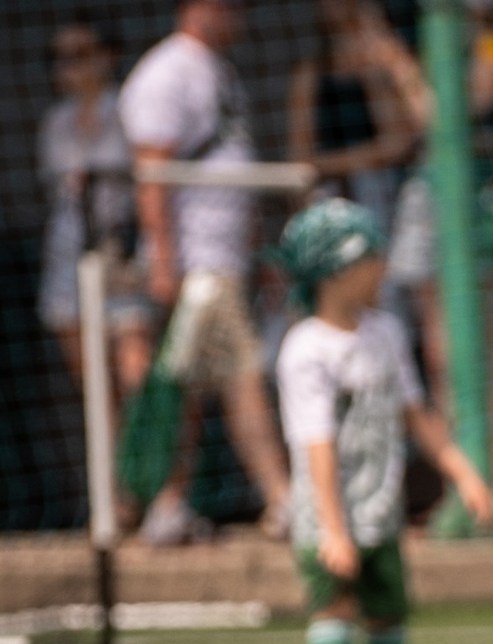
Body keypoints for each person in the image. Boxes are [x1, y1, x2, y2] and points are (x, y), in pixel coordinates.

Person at [273, 200, 490, 644]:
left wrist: (462, 472)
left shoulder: (386, 332)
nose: (380, 265)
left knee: (389, 634)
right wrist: (334, 529)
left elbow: (414, 414)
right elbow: (315, 446)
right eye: (368, 255)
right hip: (332, 523)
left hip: (381, 517)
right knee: (334, 627)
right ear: (334, 269)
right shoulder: (306, 349)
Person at [122, 0, 293, 545]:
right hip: (196, 261)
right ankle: (283, 498)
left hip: (226, 255)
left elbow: (235, 165)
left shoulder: (220, 70)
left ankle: (168, 505)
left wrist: (260, 253)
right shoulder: (166, 71)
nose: (241, 17)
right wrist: (166, 260)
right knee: (240, 374)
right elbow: (152, 173)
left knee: (188, 385)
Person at [384, 0, 493, 518]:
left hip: (476, 205)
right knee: (442, 360)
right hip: (427, 202)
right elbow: (402, 135)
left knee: (489, 362)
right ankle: (464, 492)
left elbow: (445, 118)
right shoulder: (416, 43)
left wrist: (396, 64)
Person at [38, 23, 153, 434]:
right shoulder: (55, 122)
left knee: (137, 380)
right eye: (59, 57)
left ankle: (155, 488)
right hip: (69, 260)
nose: (67, 67)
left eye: (79, 54)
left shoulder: (130, 109)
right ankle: (117, 498)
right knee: (95, 394)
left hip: (123, 256)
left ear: (107, 55)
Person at [287, 0, 420, 229]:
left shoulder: (381, 71)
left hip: (381, 195)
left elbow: (397, 144)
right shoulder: (311, 75)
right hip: (329, 202)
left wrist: (373, 72)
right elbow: (300, 161)